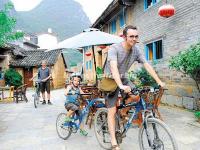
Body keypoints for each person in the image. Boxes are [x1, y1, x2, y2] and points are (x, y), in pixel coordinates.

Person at [104, 25, 165, 150]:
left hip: (123, 78)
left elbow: (146, 65)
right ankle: (114, 141)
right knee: (111, 111)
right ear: (125, 37)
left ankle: (123, 111)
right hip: (110, 79)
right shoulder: (114, 49)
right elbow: (114, 68)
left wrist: (159, 81)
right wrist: (120, 85)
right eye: (131, 36)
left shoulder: (136, 50)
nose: (134, 38)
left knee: (137, 96)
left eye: (136, 36)